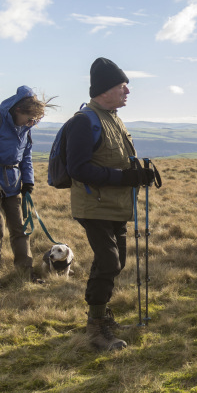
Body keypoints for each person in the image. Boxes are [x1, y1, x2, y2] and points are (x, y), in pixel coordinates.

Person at [65, 57, 155, 352]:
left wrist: (138, 174)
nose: (127, 91)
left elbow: (118, 161)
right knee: (108, 261)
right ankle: (96, 330)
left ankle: (101, 316)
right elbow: (78, 169)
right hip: (94, 206)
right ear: (105, 89)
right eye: (122, 85)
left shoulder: (113, 117)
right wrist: (124, 177)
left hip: (116, 205)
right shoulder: (84, 122)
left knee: (117, 262)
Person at [0, 86, 56, 288]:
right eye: (29, 118)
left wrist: (28, 181)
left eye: (34, 120)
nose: (31, 123)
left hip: (13, 184)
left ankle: (26, 274)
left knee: (20, 229)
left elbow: (26, 157)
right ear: (18, 110)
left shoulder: (26, 128)